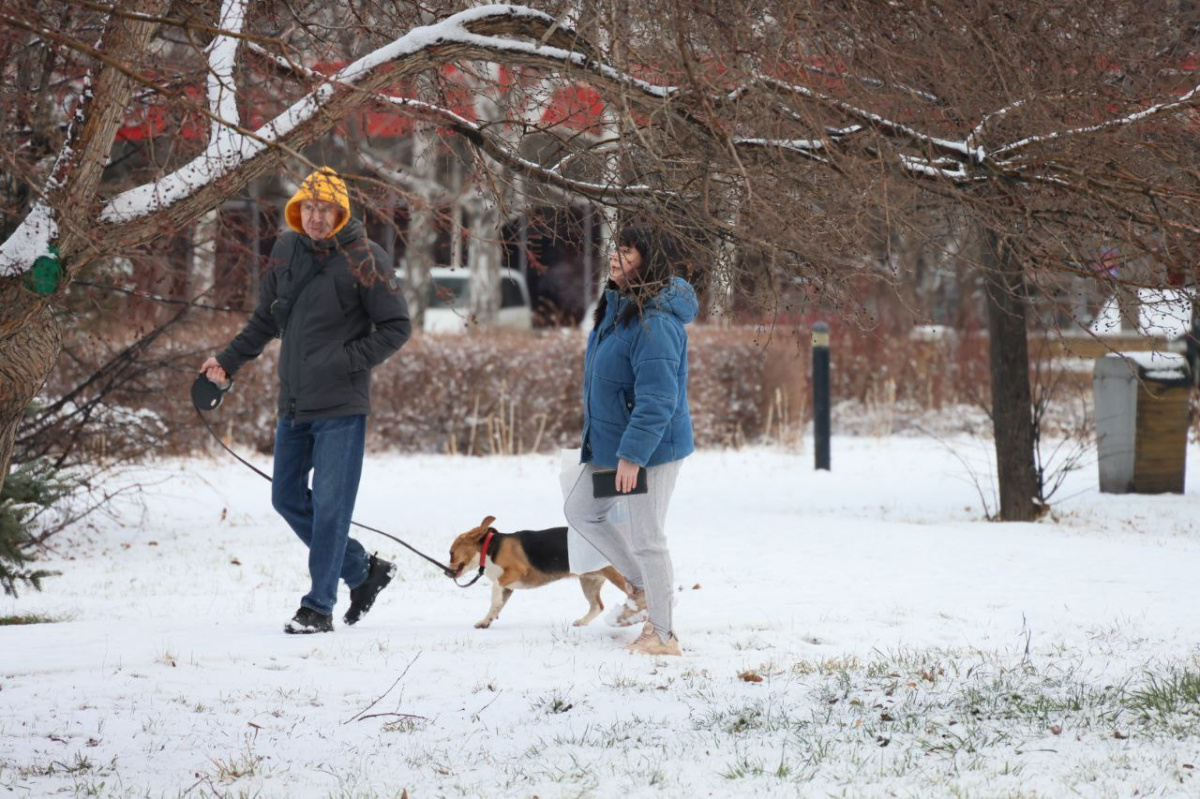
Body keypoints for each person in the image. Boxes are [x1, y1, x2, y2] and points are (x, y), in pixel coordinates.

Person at [200, 167, 411, 634]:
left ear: (341, 212)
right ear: (300, 210)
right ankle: (362, 571)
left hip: (341, 405)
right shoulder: (287, 249)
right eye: (309, 208)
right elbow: (266, 319)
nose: (316, 217)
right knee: (286, 497)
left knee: (333, 508)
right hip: (294, 402)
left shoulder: (367, 258)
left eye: (325, 209)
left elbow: (397, 327)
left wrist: (346, 360)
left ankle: (318, 607)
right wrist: (227, 361)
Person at [563, 226, 698, 656]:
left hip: (649, 455)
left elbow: (658, 399)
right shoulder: (619, 305)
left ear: (649, 261)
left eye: (627, 251)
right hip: (613, 449)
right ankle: (640, 586)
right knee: (582, 509)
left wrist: (632, 457)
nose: (616, 257)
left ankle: (662, 634)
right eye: (615, 247)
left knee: (648, 537)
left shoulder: (655, 321)